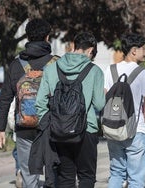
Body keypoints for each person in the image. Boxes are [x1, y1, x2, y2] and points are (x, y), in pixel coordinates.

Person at [35, 32, 105, 188]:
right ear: (90, 50)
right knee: (86, 176)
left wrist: (49, 124)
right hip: (86, 130)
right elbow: (100, 104)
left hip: (58, 131)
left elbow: (40, 102)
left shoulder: (51, 69)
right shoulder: (95, 71)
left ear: (74, 46)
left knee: (65, 177)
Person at [0, 18, 56, 188]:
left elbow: (5, 98)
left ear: (27, 37)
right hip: (51, 128)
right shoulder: (57, 64)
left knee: (29, 175)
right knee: (53, 173)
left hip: (24, 128)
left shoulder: (16, 65)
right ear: (47, 37)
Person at [104, 33, 145, 188]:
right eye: (143, 49)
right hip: (136, 131)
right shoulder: (143, 73)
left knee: (116, 173)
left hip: (113, 129)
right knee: (136, 178)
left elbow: (105, 98)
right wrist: (141, 126)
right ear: (134, 51)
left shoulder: (110, 69)